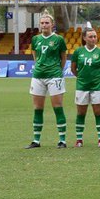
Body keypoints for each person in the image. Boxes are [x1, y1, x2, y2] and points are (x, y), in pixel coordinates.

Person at [26, 12, 69, 149]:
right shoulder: (35, 39)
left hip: (54, 76)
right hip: (38, 76)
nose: (44, 25)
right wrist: (40, 67)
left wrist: (57, 70)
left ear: (52, 25)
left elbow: (63, 58)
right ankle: (36, 140)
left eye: (47, 23)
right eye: (42, 23)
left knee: (57, 107)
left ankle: (62, 140)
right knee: (38, 109)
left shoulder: (58, 40)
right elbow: (35, 56)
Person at [70, 25, 100, 148]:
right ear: (84, 38)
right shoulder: (78, 52)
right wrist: (81, 77)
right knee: (80, 113)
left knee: (98, 112)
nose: (93, 39)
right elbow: (73, 68)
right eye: (90, 36)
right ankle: (79, 140)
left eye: (95, 36)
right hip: (82, 86)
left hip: (97, 87)